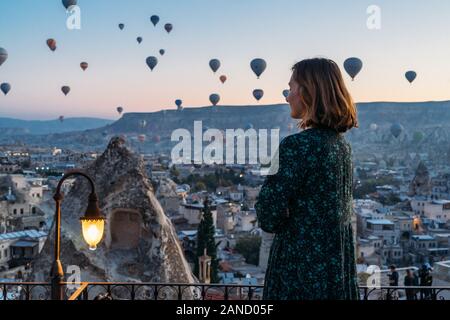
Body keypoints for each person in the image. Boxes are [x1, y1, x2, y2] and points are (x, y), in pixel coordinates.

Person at [255, 58, 358, 300]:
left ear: (309, 91)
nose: (287, 96)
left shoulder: (296, 146)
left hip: (299, 268)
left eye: (291, 88)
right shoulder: (342, 146)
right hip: (335, 268)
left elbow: (268, 214)